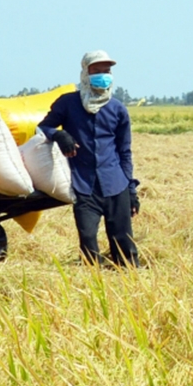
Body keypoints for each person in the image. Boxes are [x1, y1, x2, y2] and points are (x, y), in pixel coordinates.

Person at [39, 50, 142, 267]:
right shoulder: (67, 103)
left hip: (115, 184)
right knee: (87, 239)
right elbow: (43, 127)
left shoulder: (117, 109)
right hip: (83, 184)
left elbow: (124, 152)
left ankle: (131, 279)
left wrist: (131, 190)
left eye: (107, 71)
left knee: (123, 241)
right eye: (97, 71)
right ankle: (93, 283)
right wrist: (59, 135)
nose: (103, 75)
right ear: (85, 73)